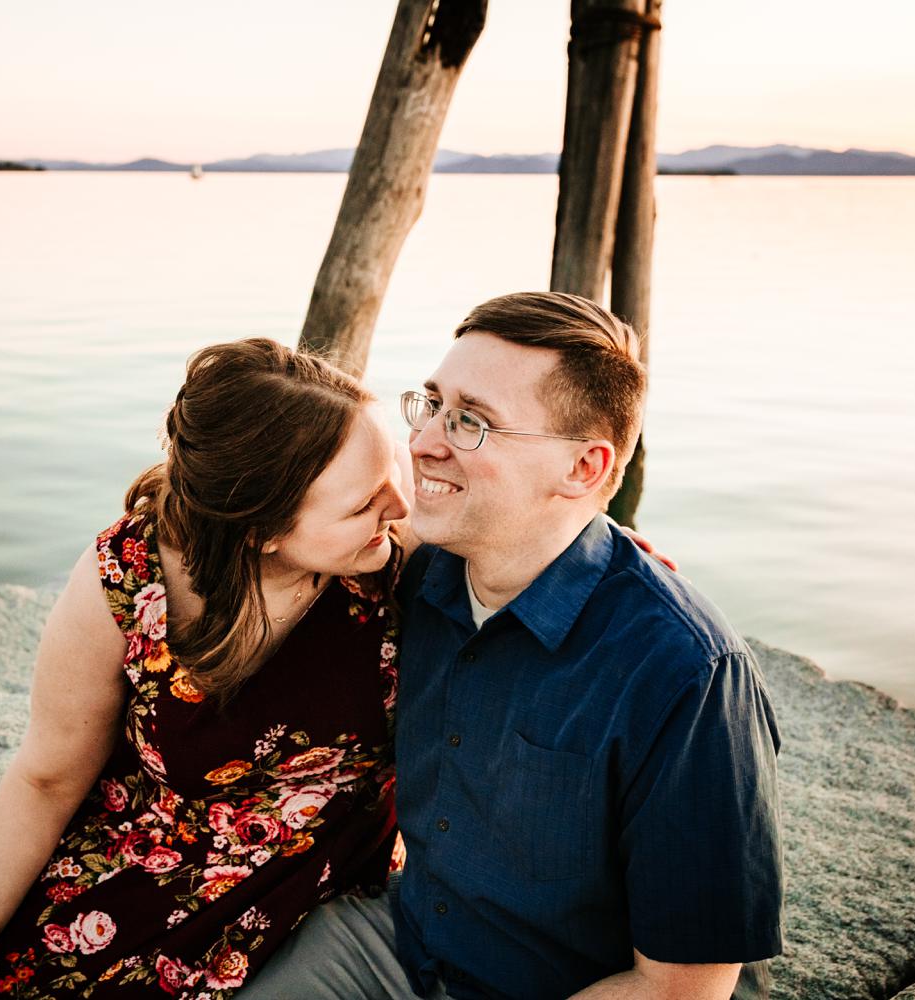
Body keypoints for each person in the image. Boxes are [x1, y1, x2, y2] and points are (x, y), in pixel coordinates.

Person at [242, 292, 783, 1000]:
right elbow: (252, 516)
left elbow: (684, 987)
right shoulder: (417, 567)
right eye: (432, 403)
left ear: (585, 469)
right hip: (407, 943)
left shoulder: (685, 675)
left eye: (471, 422)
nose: (426, 440)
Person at [0, 338, 412, 999]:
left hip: (333, 879)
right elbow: (46, 778)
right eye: (363, 504)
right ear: (262, 532)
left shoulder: (397, 561)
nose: (402, 509)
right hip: (146, 877)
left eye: (394, 475)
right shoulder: (129, 580)